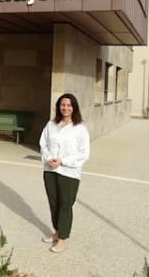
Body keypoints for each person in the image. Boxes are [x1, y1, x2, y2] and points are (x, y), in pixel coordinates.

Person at [39, 93, 90, 253]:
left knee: (65, 205)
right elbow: (43, 144)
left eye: (69, 105)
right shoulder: (51, 125)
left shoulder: (80, 129)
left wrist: (62, 161)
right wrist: (49, 159)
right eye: (62, 105)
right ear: (58, 107)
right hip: (50, 170)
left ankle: (63, 239)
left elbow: (83, 153)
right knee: (54, 203)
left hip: (69, 172)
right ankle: (57, 231)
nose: (65, 108)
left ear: (73, 107)